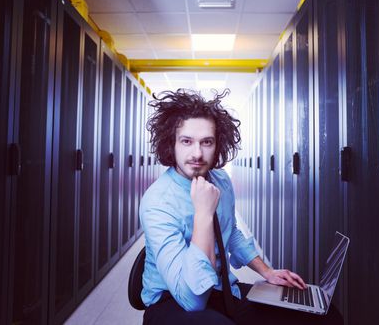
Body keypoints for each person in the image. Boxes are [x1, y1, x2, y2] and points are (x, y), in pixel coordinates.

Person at [139, 89, 342, 325]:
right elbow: (191, 300)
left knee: (325, 316)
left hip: (222, 291)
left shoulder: (220, 180)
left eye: (207, 142)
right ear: (171, 144)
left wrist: (267, 272)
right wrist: (203, 214)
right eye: (186, 141)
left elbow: (230, 231)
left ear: (218, 145)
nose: (197, 154)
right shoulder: (157, 202)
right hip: (172, 301)